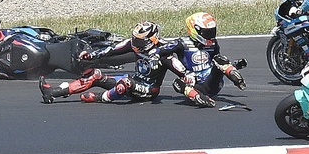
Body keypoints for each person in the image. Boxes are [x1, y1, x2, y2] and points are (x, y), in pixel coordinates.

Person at [38, 21, 208, 105]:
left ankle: (100, 98)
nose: (135, 44)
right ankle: (53, 93)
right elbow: (111, 49)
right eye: (135, 39)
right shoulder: (133, 45)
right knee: (94, 74)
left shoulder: (163, 52)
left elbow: (181, 70)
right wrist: (91, 55)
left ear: (152, 39)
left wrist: (189, 81)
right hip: (133, 80)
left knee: (125, 83)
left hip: (148, 90)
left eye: (140, 41)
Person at [153, 12, 247, 107]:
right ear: (194, 30)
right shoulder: (181, 43)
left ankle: (236, 77)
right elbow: (159, 51)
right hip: (194, 84)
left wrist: (233, 65)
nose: (210, 36)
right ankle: (197, 97)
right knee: (177, 83)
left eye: (212, 32)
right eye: (207, 32)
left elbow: (217, 63)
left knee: (219, 59)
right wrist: (155, 58)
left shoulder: (213, 44)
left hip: (212, 82)